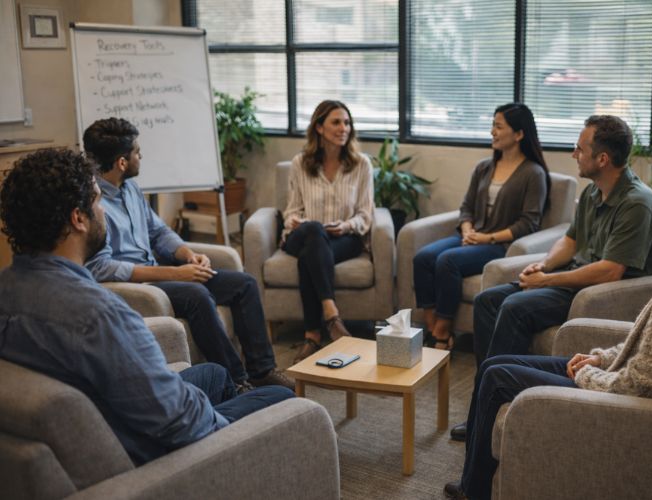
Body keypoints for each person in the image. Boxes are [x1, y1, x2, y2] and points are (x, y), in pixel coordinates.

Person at [445, 154, 652, 499]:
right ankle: (475, 480)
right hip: (616, 374)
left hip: (625, 401)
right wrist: (600, 358)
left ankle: (474, 491)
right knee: (495, 365)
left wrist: (588, 375)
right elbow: (649, 342)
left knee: (497, 376)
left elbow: (648, 384)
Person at [0, 148, 295, 465]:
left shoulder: (6, 289)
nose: (103, 211)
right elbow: (183, 424)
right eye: (98, 201)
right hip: (155, 451)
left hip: (107, 420)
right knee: (283, 398)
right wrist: (224, 423)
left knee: (216, 373)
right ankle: (245, 458)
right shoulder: (99, 315)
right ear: (78, 218)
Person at [449, 114, 652, 441]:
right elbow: (570, 242)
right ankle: (483, 404)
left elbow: (611, 270)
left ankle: (502, 410)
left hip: (605, 293)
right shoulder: (595, 192)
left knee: (514, 307)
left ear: (602, 158)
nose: (573, 154)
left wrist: (546, 281)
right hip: (578, 280)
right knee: (487, 301)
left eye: (579, 149)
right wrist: (544, 266)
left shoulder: (636, 203)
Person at [83, 117, 292, 392]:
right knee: (197, 295)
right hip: (139, 284)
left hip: (161, 270)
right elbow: (100, 267)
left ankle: (262, 371)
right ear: (122, 162)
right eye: (136, 151)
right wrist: (174, 273)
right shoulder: (94, 204)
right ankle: (237, 380)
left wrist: (187, 254)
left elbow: (158, 232)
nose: (141, 155)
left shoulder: (131, 187)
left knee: (244, 284)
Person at [413, 103, 551, 350]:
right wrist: (467, 231)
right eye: (492, 126)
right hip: (473, 237)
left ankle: (443, 332)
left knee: (448, 261)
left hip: (501, 245)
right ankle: (431, 324)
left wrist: (487, 239)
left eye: (499, 127)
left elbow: (528, 223)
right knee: (423, 258)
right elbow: (466, 207)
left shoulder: (534, 173)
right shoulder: (484, 167)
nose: (492, 132)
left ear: (519, 134)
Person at [283, 100, 375, 364]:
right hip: (301, 235)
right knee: (313, 231)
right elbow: (291, 212)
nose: (343, 128)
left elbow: (365, 215)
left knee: (309, 257)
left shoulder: (361, 165)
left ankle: (312, 335)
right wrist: (297, 223)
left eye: (347, 123)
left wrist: (345, 226)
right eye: (336, 122)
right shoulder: (300, 163)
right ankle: (331, 313)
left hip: (344, 238)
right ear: (320, 128)